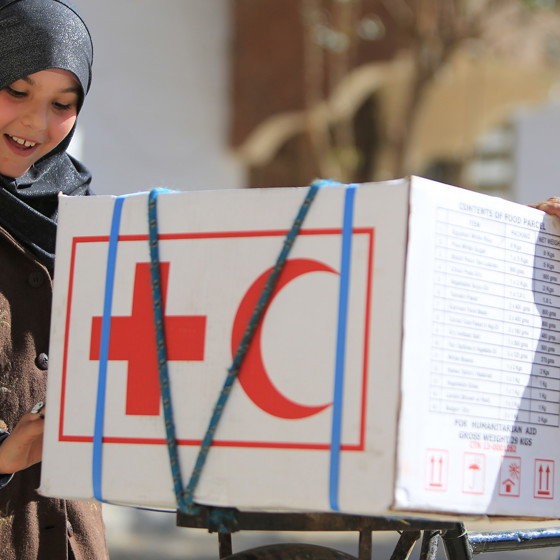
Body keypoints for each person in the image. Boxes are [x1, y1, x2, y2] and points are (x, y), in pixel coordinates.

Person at [0, 0, 108, 558]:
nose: (35, 123)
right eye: (16, 90)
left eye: (62, 104)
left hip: (67, 536)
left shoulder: (82, 219)